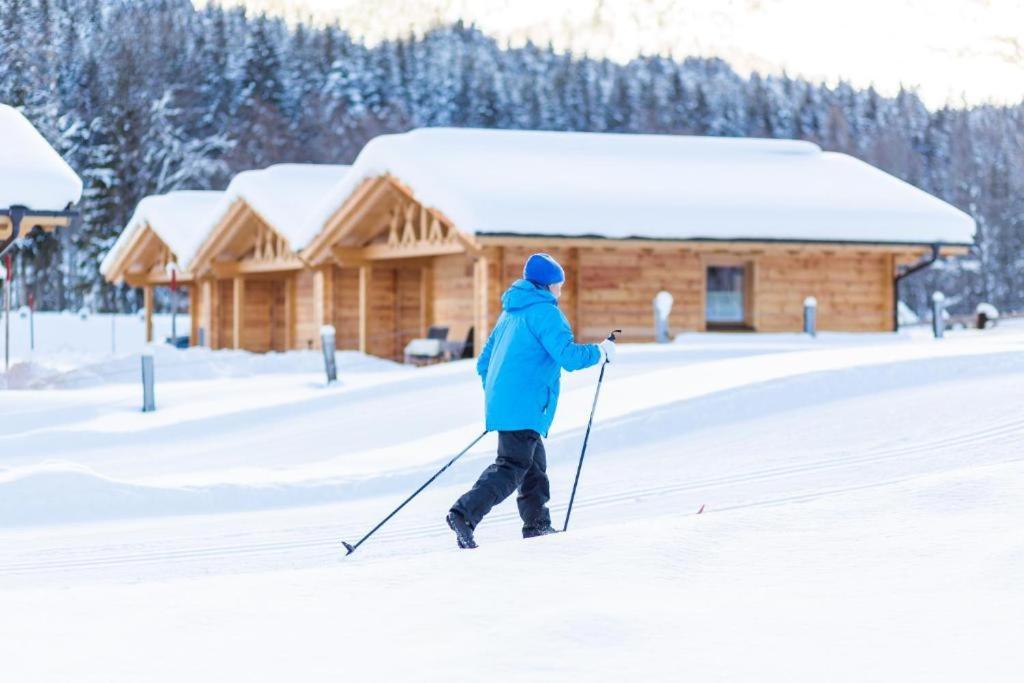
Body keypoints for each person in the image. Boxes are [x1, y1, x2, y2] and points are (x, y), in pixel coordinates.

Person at [446, 253, 617, 549]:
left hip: (511, 404)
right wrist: (600, 352)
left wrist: (501, 397)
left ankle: (537, 525)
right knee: (512, 465)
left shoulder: (511, 313)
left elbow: (484, 363)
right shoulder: (545, 313)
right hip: (524, 405)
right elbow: (567, 357)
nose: (560, 290)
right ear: (547, 285)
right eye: (558, 285)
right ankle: (464, 513)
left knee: (534, 467)